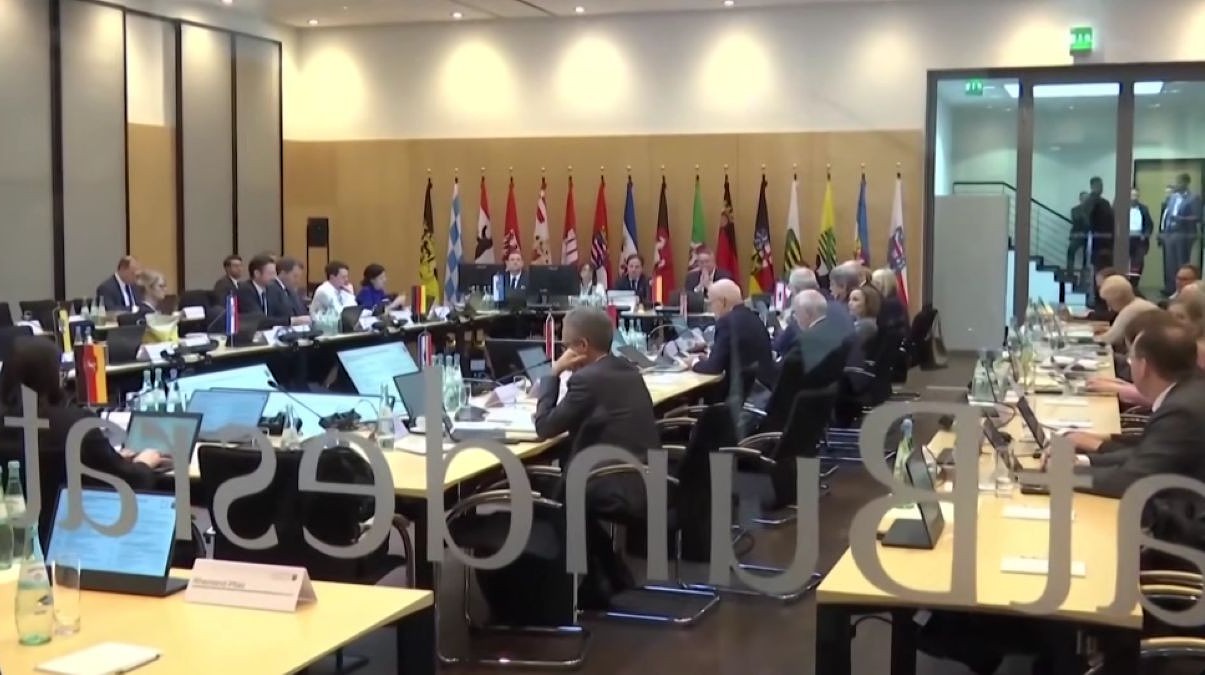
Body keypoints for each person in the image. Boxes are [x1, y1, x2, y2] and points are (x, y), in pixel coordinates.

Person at [531, 307, 660, 605]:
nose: (563, 353)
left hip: (618, 482)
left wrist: (552, 373)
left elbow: (544, 427)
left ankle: (583, 584)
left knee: (546, 490)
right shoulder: (626, 368)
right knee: (564, 488)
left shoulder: (587, 380)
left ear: (582, 346)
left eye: (565, 346)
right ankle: (611, 571)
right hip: (644, 476)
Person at [0, 337, 168, 537]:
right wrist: (144, 463)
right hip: (70, 537)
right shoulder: (75, 424)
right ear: (51, 377)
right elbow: (126, 483)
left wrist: (109, 457)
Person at [691, 279, 773, 386]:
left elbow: (714, 368)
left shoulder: (726, 322)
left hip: (738, 391)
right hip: (760, 388)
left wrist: (694, 362)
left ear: (723, 302)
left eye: (711, 303)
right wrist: (709, 358)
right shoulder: (755, 318)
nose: (711, 308)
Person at [773, 267, 854, 354]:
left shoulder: (806, 309)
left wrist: (778, 331)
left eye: (792, 291)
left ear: (798, 291)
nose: (791, 294)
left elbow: (779, 345)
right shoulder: (833, 301)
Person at [1161, 173, 1203, 296]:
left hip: (1184, 235)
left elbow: (1198, 217)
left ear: (1186, 183)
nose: (1176, 184)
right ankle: (1171, 290)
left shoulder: (1193, 198)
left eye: (1179, 182)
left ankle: (1183, 291)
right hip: (1170, 234)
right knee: (1170, 264)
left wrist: (1181, 219)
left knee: (1182, 264)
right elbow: (1167, 215)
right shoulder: (1173, 198)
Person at [1096, 274, 1159, 348]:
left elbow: (1110, 339)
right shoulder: (1138, 303)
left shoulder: (1130, 311)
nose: (1109, 306)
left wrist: (1091, 338)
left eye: (1108, 301)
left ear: (1115, 299)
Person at [235, 254, 288, 326]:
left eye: (275, 273)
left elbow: (284, 313)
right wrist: (290, 321)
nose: (274, 277)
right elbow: (259, 319)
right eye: (270, 273)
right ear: (257, 273)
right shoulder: (245, 290)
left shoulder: (273, 290)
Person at [1086, 176, 1115, 269]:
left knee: (1105, 267)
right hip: (1100, 240)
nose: (1101, 188)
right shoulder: (1091, 202)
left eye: (1102, 185)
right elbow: (1089, 220)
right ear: (1092, 186)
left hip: (1106, 239)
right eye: (1099, 185)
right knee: (1101, 267)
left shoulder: (1104, 202)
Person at [871, 267, 908, 335]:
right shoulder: (891, 301)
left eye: (876, 283)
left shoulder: (890, 304)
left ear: (885, 285)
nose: (871, 287)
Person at [275, 257, 310, 321]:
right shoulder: (271, 290)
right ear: (283, 273)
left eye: (299, 277)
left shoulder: (291, 291)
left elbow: (302, 311)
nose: (298, 281)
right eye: (295, 276)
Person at [1128, 188, 1154, 275]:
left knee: (1138, 263)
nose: (1134, 198)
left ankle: (1135, 281)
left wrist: (1145, 235)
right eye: (1132, 195)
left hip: (1140, 240)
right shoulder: (1123, 207)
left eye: (1136, 195)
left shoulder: (1143, 209)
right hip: (1126, 240)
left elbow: (1149, 224)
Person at [1066, 191, 1091, 272]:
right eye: (1083, 198)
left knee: (1087, 253)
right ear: (1080, 199)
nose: (1085, 200)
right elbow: (1076, 222)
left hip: (1088, 235)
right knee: (1071, 250)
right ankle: (1070, 272)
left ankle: (1085, 271)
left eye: (1087, 198)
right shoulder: (1074, 210)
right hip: (1077, 234)